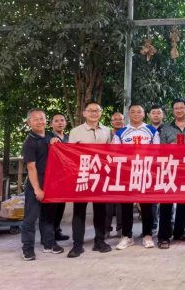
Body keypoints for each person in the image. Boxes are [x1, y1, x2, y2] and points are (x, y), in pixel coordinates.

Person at [67, 101, 112, 258]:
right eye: (91, 110)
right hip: (83, 175)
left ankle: (99, 241)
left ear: (101, 113)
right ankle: (77, 245)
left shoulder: (106, 131)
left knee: (100, 210)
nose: (94, 113)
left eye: (97, 110)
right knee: (79, 211)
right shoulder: (75, 132)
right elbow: (69, 154)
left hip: (100, 175)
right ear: (84, 113)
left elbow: (111, 152)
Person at [112, 104, 160, 250]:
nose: (136, 114)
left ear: (144, 114)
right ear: (129, 114)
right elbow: (115, 153)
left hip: (146, 172)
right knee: (126, 205)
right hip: (127, 173)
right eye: (133, 111)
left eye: (139, 111)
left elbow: (157, 151)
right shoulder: (121, 132)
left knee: (147, 206)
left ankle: (147, 235)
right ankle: (127, 236)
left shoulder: (151, 130)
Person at [157, 98, 185, 248]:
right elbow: (159, 150)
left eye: (182, 108)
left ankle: (179, 232)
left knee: (183, 202)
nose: (179, 110)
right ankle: (163, 237)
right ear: (173, 111)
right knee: (166, 204)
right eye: (176, 108)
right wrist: (170, 147)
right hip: (169, 168)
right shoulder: (165, 128)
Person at [21, 108, 63, 260]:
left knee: (48, 215)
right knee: (31, 217)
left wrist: (57, 141)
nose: (39, 122)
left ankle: (49, 244)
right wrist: (37, 189)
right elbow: (31, 168)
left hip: (51, 181)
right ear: (29, 122)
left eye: (42, 118)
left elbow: (61, 150)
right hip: (36, 181)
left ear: (46, 121)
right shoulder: (29, 142)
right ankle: (27, 249)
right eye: (35, 119)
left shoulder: (51, 135)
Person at [49, 113, 69, 242]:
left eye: (62, 120)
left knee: (61, 206)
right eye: (56, 121)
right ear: (51, 124)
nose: (60, 123)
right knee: (51, 207)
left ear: (65, 123)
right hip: (52, 177)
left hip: (64, 177)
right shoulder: (48, 137)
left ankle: (57, 231)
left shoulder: (68, 138)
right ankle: (48, 235)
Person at [105, 112, 125, 238]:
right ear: (111, 122)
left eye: (120, 119)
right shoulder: (105, 134)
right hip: (108, 171)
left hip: (124, 171)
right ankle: (106, 228)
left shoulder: (128, 133)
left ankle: (121, 228)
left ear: (124, 121)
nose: (117, 121)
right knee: (107, 202)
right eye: (115, 119)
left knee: (121, 202)